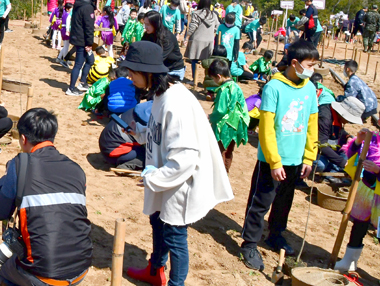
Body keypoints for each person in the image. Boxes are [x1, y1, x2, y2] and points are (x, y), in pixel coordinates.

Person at [120, 42, 233, 286]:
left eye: (132, 71)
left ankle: (175, 283)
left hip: (180, 180)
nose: (129, 75)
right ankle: (155, 270)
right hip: (165, 174)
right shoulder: (161, 93)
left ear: (148, 71)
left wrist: (152, 177)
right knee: (157, 222)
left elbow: (185, 158)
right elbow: (160, 133)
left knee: (174, 234)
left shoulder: (176, 102)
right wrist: (140, 132)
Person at [239, 40, 320, 271]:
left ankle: (276, 234)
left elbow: (311, 124)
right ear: (294, 63)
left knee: (284, 201)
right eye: (309, 64)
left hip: (296, 159)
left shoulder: (309, 88)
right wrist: (274, 161)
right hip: (272, 161)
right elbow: (266, 128)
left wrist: (308, 157)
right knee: (260, 202)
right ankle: (249, 243)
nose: (311, 69)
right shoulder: (274, 87)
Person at [0, 108, 92, 286]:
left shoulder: (19, 165)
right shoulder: (77, 169)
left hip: (45, 276)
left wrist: (5, 179)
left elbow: (0, 211)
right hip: (80, 269)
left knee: (0, 268)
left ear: (23, 138)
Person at [330, 129, 380, 272]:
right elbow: (353, 157)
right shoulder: (373, 137)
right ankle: (349, 261)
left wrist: (378, 170)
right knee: (359, 225)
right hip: (366, 188)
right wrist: (358, 141)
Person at [208, 59, 250, 173]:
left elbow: (221, 111)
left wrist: (210, 117)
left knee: (219, 151)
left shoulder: (224, 89)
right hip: (235, 125)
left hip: (224, 127)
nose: (214, 81)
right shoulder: (236, 86)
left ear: (218, 76)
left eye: (213, 79)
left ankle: (220, 177)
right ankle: (225, 173)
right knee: (228, 152)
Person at [67, 0, 99, 96]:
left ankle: (82, 82)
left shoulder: (79, 3)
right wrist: (90, 43)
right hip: (83, 40)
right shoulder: (87, 7)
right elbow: (88, 27)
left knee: (91, 61)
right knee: (78, 64)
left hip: (78, 36)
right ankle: (71, 88)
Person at [142, 11, 186, 80]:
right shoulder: (147, 35)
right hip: (158, 68)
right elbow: (142, 49)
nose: (145, 27)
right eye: (144, 24)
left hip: (173, 70)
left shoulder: (167, 37)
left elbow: (160, 58)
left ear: (155, 24)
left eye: (148, 24)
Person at [185, 0, 220, 81]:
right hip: (209, 41)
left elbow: (193, 26)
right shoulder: (214, 15)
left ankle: (194, 80)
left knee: (194, 60)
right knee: (207, 63)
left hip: (197, 40)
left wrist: (187, 36)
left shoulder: (196, 13)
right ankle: (207, 80)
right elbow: (217, 26)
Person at [340, 60, 379, 124]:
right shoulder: (357, 79)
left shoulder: (352, 82)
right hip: (373, 106)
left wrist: (338, 98)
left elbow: (348, 98)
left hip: (366, 109)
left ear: (347, 69)